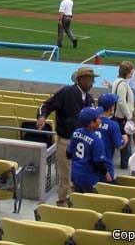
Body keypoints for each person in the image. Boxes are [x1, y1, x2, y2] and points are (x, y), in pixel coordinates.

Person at [37, 66, 98, 206]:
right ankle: (63, 204)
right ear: (80, 79)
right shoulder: (66, 92)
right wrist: (42, 117)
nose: (92, 83)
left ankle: (75, 204)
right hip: (67, 141)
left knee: (79, 178)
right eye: (90, 80)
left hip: (85, 143)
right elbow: (46, 105)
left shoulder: (89, 99)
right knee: (66, 178)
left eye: (93, 80)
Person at [66, 106, 109, 193]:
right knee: (90, 203)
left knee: (78, 200)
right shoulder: (97, 141)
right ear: (92, 123)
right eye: (98, 118)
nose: (100, 120)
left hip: (75, 175)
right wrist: (106, 173)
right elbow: (98, 163)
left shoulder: (76, 132)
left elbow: (68, 154)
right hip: (89, 178)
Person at [108, 61, 135, 169]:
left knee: (118, 141)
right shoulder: (123, 84)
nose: (133, 72)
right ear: (128, 72)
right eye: (132, 70)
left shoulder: (117, 82)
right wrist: (129, 116)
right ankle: (126, 164)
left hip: (118, 117)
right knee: (126, 142)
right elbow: (121, 101)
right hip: (121, 118)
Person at [96, 93, 128, 183]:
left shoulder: (91, 121)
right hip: (106, 166)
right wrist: (125, 138)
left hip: (90, 165)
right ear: (111, 107)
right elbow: (119, 145)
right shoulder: (113, 125)